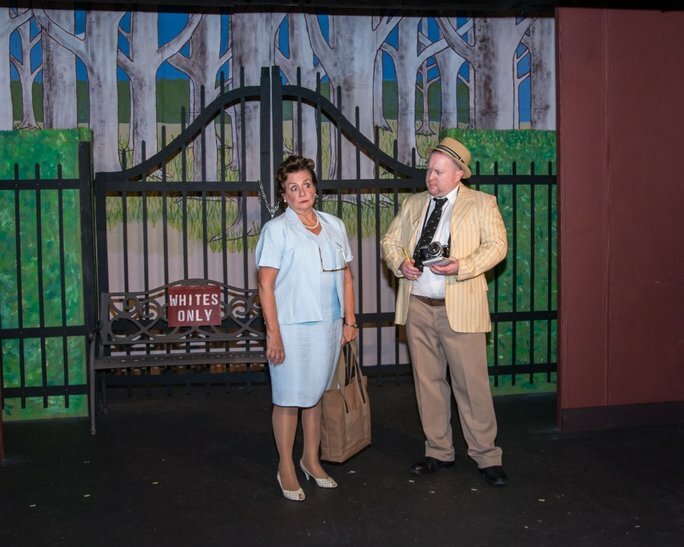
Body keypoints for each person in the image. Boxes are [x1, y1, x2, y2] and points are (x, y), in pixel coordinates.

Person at [380, 137, 509, 486]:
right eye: (429, 170)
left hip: (461, 308)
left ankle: (486, 455)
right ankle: (438, 451)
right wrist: (400, 265)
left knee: (472, 385)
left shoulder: (482, 204)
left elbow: (498, 246)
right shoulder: (413, 204)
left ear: (458, 175)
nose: (430, 177)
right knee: (428, 384)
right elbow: (390, 242)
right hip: (419, 306)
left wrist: (462, 266)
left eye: (438, 171)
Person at [255, 155, 358, 502]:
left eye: (307, 185)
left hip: (328, 326)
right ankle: (286, 465)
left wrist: (349, 321)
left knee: (314, 397)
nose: (302, 193)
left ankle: (311, 460)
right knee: (288, 400)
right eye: (293, 188)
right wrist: (274, 334)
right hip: (291, 328)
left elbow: (346, 275)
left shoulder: (334, 224)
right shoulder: (276, 230)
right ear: (284, 195)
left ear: (315, 187)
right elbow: (265, 285)